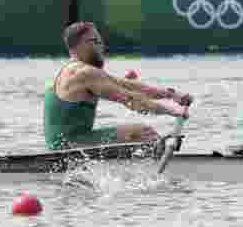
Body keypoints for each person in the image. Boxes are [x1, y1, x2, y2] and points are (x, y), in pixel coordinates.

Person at [44, 22, 192, 150]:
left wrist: (171, 95)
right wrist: (173, 111)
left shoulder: (78, 70)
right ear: (78, 46)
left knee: (141, 134)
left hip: (73, 141)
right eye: (95, 41)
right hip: (67, 146)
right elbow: (132, 100)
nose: (101, 46)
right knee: (142, 132)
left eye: (101, 41)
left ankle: (144, 163)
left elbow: (131, 86)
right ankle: (155, 167)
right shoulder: (85, 73)